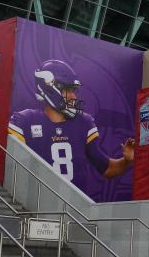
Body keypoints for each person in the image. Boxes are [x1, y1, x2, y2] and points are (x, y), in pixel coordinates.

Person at [8, 59, 135, 195]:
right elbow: (13, 171)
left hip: (75, 206)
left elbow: (106, 168)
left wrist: (126, 161)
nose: (74, 96)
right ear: (49, 88)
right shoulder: (24, 121)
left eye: (74, 91)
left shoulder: (83, 122)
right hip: (35, 202)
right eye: (68, 90)